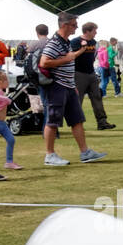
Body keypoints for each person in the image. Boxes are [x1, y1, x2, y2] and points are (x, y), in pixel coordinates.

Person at [39, 11, 107, 166]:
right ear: (64, 25)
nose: (76, 28)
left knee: (77, 120)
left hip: (68, 86)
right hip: (57, 86)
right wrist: (66, 59)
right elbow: (44, 62)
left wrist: (72, 85)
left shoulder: (66, 41)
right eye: (74, 25)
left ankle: (85, 152)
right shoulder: (54, 43)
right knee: (53, 121)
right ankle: (49, 155)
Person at [70, 22, 114, 131]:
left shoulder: (93, 42)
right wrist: (82, 48)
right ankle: (77, 124)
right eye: (94, 30)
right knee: (78, 100)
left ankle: (102, 122)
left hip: (91, 73)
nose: (96, 33)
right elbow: (71, 56)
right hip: (79, 74)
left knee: (97, 97)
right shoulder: (75, 41)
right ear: (87, 31)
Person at [0, 71, 21, 171]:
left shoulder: (0, 92)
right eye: (6, 80)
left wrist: (5, 98)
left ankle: (9, 162)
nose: (8, 82)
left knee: (11, 140)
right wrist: (6, 99)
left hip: (2, 123)